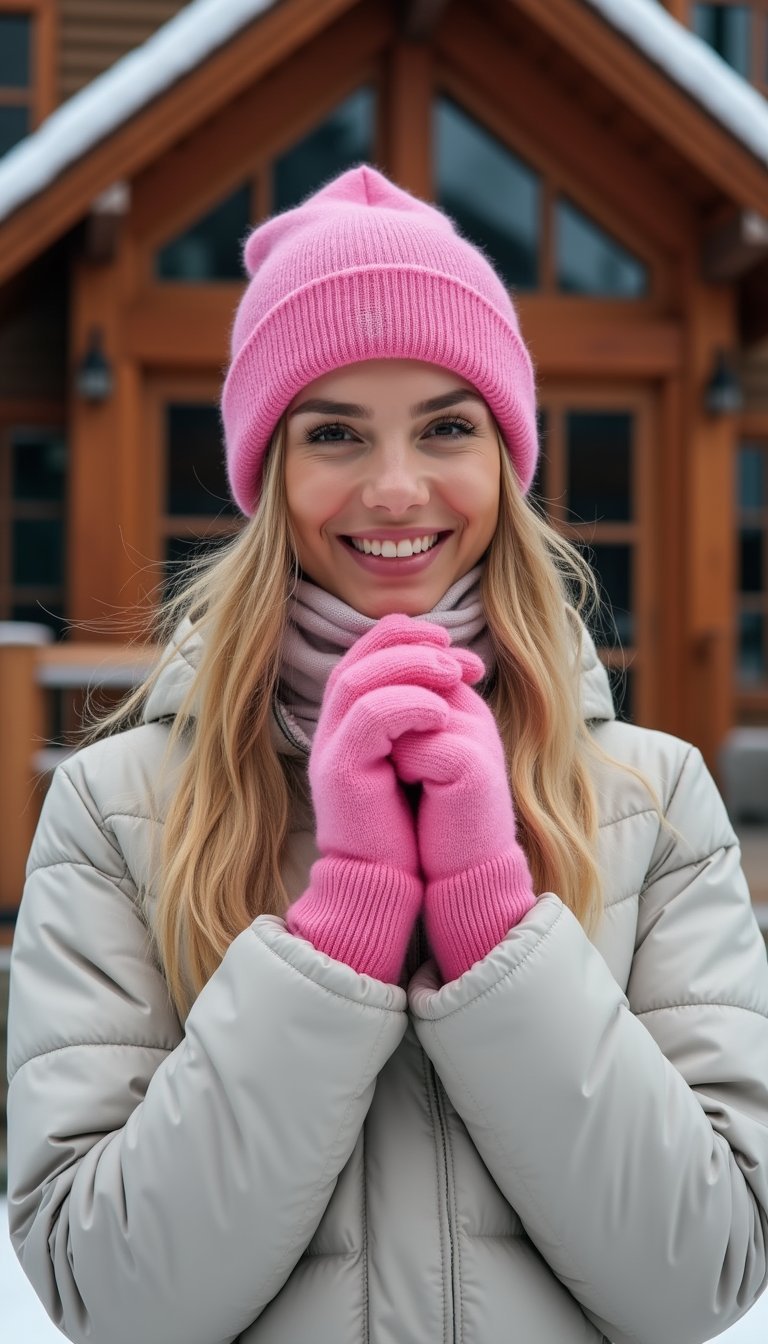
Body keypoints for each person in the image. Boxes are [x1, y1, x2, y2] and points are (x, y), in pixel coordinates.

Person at [6, 163, 768, 1344]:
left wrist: (488, 918)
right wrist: (347, 925)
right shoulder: (120, 811)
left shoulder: (653, 801)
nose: (398, 487)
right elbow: (111, 1302)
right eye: (335, 433)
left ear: (507, 463)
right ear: (270, 473)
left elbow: (705, 1276)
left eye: (447, 426)